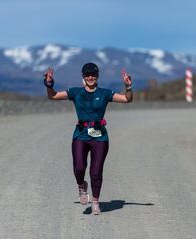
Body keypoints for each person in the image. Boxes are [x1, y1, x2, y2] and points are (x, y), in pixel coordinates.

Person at [43, 62, 133, 215]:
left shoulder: (105, 93)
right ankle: (81, 185)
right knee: (79, 167)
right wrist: (49, 84)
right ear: (83, 76)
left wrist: (128, 87)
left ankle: (96, 202)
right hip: (81, 134)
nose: (90, 77)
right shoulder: (75, 92)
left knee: (96, 171)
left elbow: (127, 99)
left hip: (100, 137)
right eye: (87, 74)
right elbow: (53, 96)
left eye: (93, 74)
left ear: (97, 76)